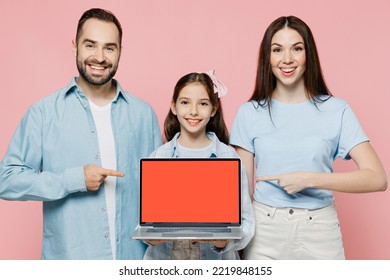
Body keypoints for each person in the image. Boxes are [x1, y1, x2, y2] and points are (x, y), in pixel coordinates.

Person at [0, 8, 162, 259]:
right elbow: (7, 179)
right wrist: (72, 180)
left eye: (109, 47)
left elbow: (158, 195)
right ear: (75, 47)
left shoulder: (143, 115)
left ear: (120, 51)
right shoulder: (44, 113)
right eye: (90, 45)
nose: (99, 57)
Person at [230, 15, 387, 260]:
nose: (287, 59)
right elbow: (242, 192)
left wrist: (309, 179)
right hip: (265, 231)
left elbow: (377, 178)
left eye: (297, 48)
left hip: (320, 231)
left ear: (308, 55)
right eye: (277, 50)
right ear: (267, 57)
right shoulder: (249, 113)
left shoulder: (337, 110)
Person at [143, 71, 255, 260]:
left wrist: (223, 241)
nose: (193, 111)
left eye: (203, 103)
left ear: (213, 109)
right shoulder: (159, 156)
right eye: (185, 102)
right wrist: (150, 236)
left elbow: (247, 223)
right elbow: (147, 220)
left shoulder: (228, 157)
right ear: (173, 106)